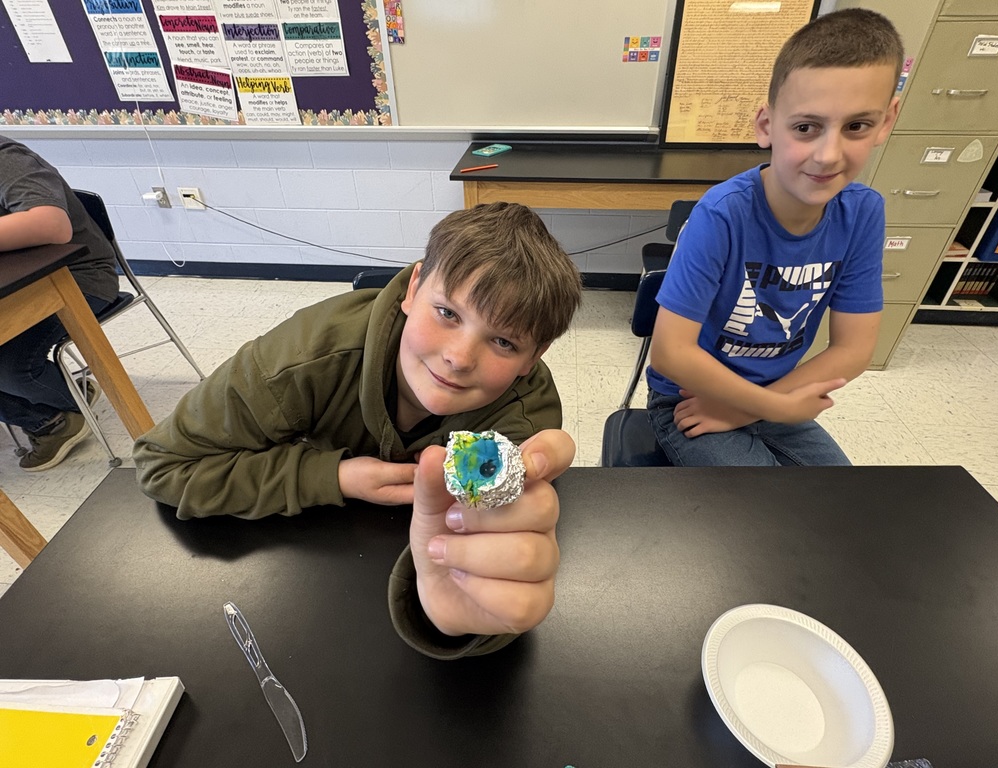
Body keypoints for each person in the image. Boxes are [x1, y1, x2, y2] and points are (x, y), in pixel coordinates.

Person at [134, 201, 583, 659]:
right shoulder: (302, 358)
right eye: (447, 313)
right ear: (413, 287)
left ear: (535, 357)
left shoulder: (523, 420)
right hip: (289, 588)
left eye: (504, 342)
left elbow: (501, 559)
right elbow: (162, 463)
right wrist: (333, 476)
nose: (460, 357)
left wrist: (464, 615)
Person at [647, 8, 903, 467]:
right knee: (768, 512)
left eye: (856, 126)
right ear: (766, 125)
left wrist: (756, 407)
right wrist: (773, 408)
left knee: (846, 500)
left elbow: (853, 347)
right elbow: (669, 352)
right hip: (692, 400)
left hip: (771, 396)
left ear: (887, 121)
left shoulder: (863, 213)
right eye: (806, 128)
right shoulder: (722, 215)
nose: (828, 155)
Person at [0, 135, 118, 471]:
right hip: (17, 285)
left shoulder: (6, 157)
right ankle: (56, 405)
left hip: (76, 279)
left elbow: (51, 224)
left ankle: (55, 413)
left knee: (10, 369)